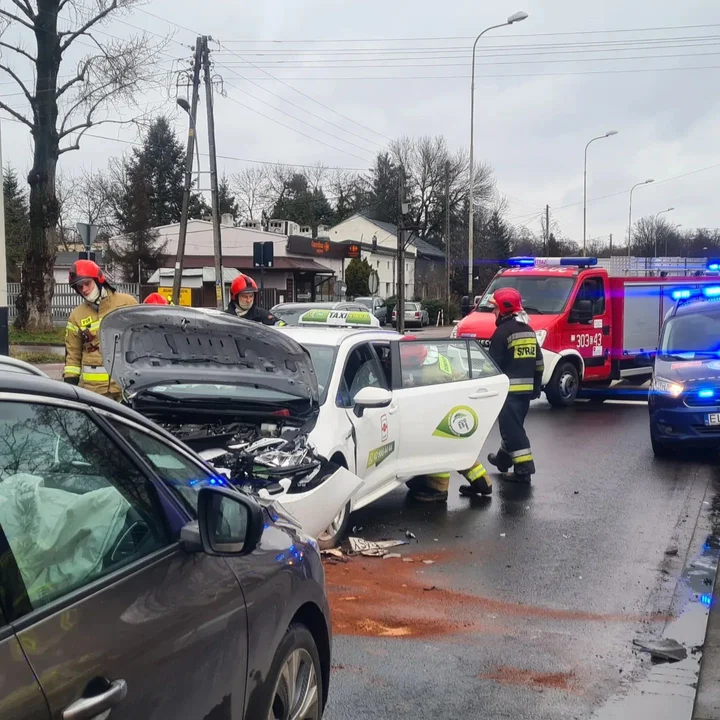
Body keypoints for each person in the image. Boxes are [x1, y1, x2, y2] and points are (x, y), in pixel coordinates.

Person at [399, 336, 492, 503]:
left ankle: (437, 488)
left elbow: (419, 397)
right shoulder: (435, 357)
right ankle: (482, 481)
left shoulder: (429, 375)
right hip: (458, 403)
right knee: (457, 446)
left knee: (437, 446)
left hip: (442, 409)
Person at [472, 286, 543, 486]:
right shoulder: (528, 331)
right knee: (513, 427)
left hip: (508, 392)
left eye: (495, 308)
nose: (493, 312)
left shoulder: (502, 332)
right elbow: (539, 362)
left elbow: (492, 365)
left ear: (504, 309)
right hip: (526, 392)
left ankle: (524, 469)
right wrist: (536, 387)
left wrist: (478, 384)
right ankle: (503, 460)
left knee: (513, 431)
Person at [64, 260, 137, 399]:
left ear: (98, 281)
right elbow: (72, 354)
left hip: (125, 388)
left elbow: (142, 340)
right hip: (93, 392)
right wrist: (70, 384)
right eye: (80, 286)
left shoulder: (127, 303)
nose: (84, 289)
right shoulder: (76, 315)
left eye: (87, 283)